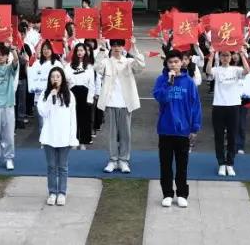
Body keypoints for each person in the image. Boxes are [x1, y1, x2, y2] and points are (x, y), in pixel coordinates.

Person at [153, 51, 201, 209]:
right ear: (167, 64)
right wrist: (169, 83)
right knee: (165, 165)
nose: (173, 64)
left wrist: (194, 127)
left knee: (182, 165)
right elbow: (161, 97)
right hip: (165, 129)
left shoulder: (189, 82)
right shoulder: (161, 80)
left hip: (183, 130)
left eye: (176, 61)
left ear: (182, 63)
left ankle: (182, 194)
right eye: (170, 62)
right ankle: (167, 194)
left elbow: (195, 106)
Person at [95, 39, 146, 174]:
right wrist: (102, 49)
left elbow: (140, 66)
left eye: (119, 45)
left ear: (123, 47)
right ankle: (113, 160)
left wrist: (133, 46)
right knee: (112, 134)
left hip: (125, 103)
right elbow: (97, 68)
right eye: (114, 45)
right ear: (111, 47)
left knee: (125, 134)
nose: (117, 48)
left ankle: (123, 160)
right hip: (110, 102)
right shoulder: (106, 61)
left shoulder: (129, 62)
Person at [37, 66, 79, 206]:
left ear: (62, 79)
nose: (55, 79)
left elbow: (73, 118)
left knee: (62, 166)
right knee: (51, 166)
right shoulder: (45, 94)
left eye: (58, 76)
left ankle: (62, 192)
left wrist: (72, 137)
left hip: (64, 136)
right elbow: (43, 113)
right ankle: (52, 192)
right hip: (49, 136)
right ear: (49, 79)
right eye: (53, 76)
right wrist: (51, 97)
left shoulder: (70, 95)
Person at [208, 49, 250, 176]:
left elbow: (247, 70)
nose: (225, 58)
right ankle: (221, 163)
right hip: (218, 105)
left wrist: (242, 54)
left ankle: (230, 163)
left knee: (232, 135)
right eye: (223, 55)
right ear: (220, 57)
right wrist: (211, 55)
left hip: (233, 106)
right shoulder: (217, 69)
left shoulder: (236, 69)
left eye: (227, 55)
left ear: (231, 57)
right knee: (219, 136)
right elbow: (208, 71)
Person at [68, 43, 97, 150]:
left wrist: (90, 98)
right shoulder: (69, 66)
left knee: (85, 119)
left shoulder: (89, 66)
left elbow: (92, 84)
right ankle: (73, 141)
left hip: (85, 93)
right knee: (73, 118)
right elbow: (66, 79)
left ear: (85, 52)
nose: (79, 52)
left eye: (82, 50)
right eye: (78, 50)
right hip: (72, 93)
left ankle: (83, 142)